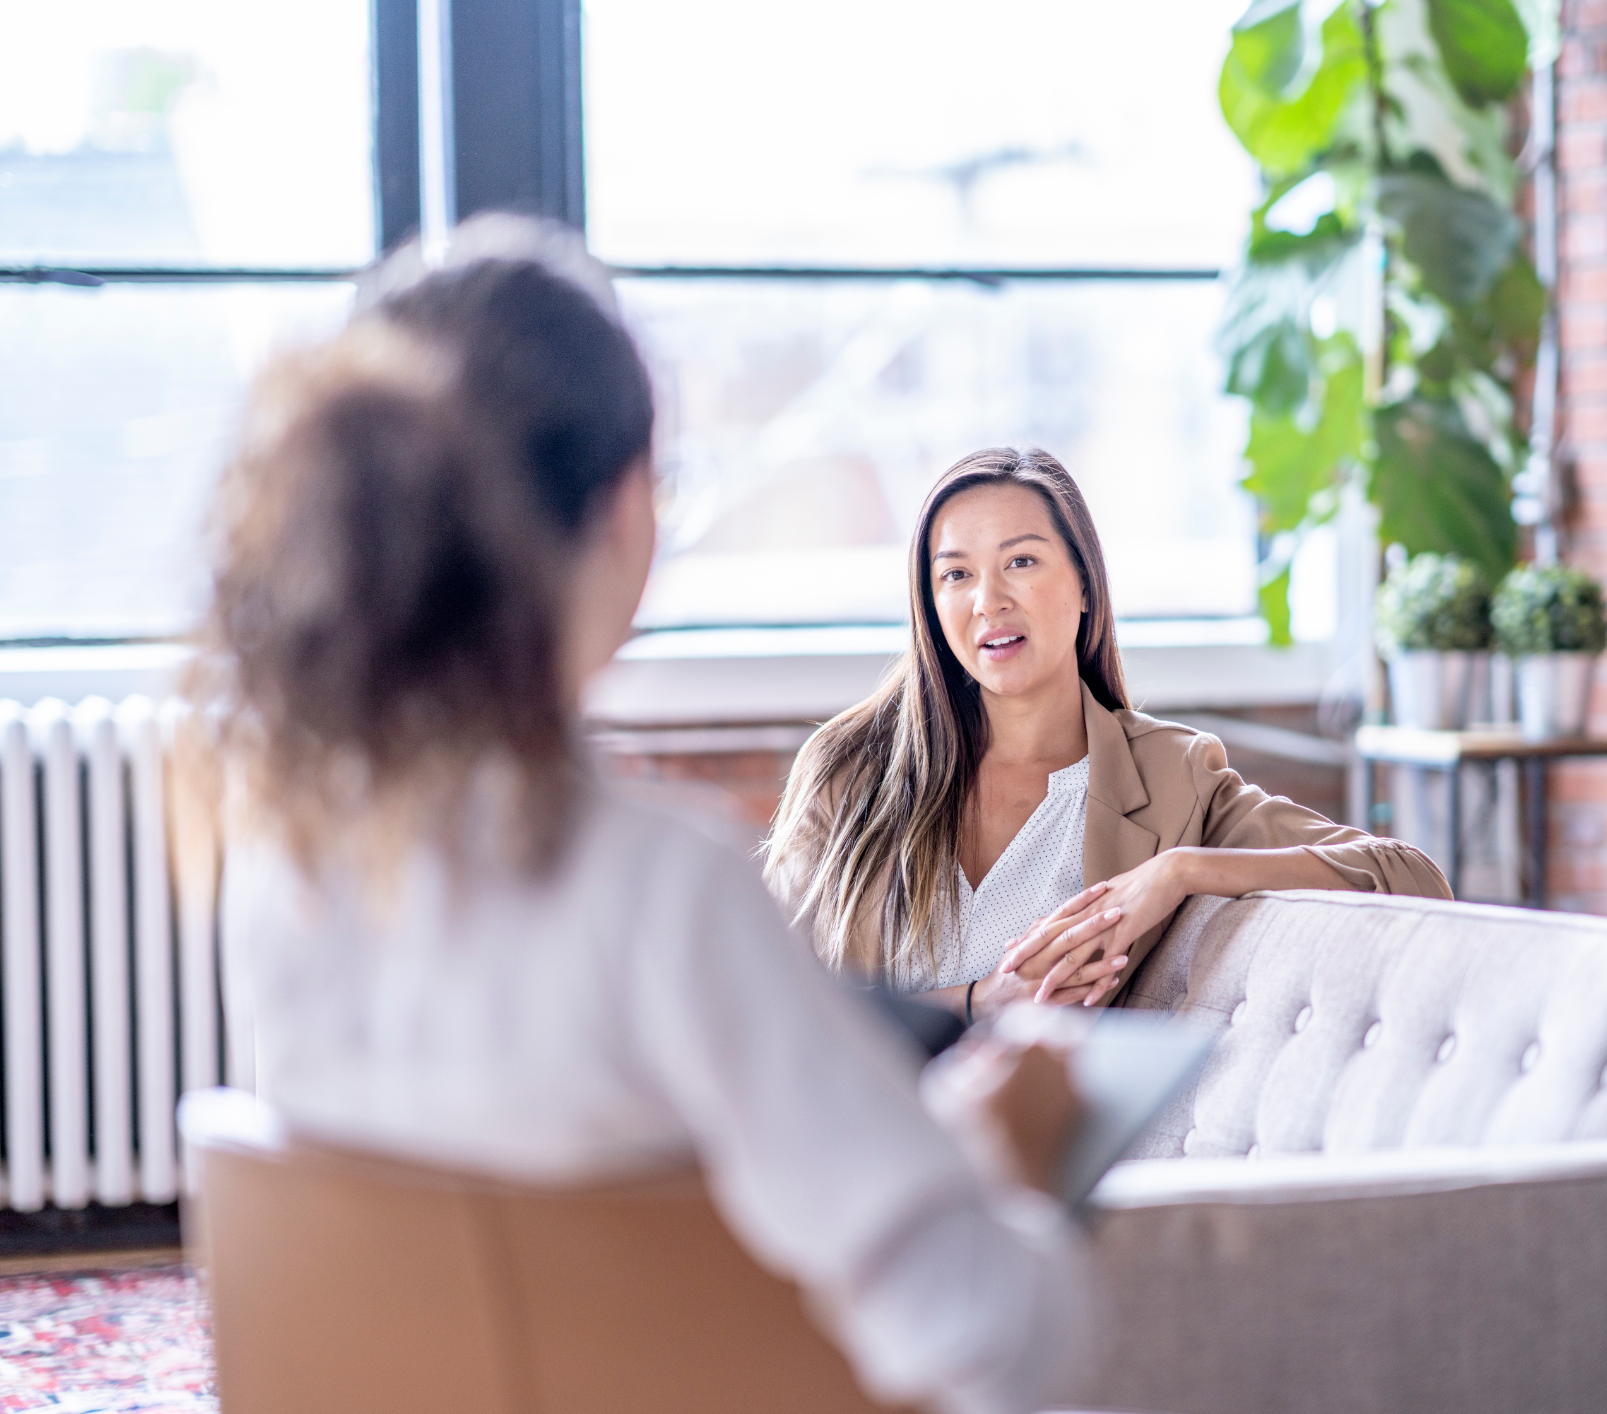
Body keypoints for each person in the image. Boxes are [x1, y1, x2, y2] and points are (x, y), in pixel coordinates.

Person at [189, 220, 1090, 1414]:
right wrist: (1000, 1164)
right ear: (625, 510)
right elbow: (1003, 1338)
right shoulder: (661, 886)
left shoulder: (285, 862)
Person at [765, 448, 1450, 1019]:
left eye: (1022, 562)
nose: (989, 599)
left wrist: (1181, 870)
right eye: (956, 574)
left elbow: (1411, 878)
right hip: (866, 1145)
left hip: (1058, 1161)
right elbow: (763, 998)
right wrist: (979, 1003)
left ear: (1086, 584)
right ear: (932, 604)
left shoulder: (1170, 776)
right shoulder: (849, 769)